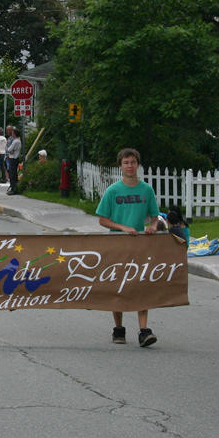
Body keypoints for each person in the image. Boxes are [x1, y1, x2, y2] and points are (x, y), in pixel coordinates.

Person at [96, 148, 161, 347]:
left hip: (139, 245)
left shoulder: (146, 190)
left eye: (133, 162)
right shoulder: (113, 191)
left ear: (138, 165)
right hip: (118, 244)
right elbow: (103, 220)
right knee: (119, 286)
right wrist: (122, 227)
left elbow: (155, 216)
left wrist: (152, 226)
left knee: (141, 285)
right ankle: (119, 328)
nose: (130, 166)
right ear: (120, 166)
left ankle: (144, 330)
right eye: (126, 163)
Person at [6, 128, 22, 195]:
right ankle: (14, 187)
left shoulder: (15, 141)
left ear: (14, 134)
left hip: (13, 158)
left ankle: (13, 188)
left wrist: (8, 149)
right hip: (15, 158)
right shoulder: (18, 140)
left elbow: (9, 149)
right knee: (14, 173)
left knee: (12, 174)